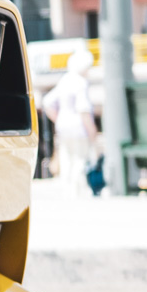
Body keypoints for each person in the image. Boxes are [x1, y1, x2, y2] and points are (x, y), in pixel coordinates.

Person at [42, 50, 100, 197]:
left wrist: (58, 118)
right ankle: (77, 192)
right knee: (80, 159)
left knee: (66, 159)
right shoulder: (81, 82)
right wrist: (92, 131)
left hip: (63, 127)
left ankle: (67, 191)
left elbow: (47, 102)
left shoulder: (65, 79)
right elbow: (84, 109)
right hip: (79, 128)